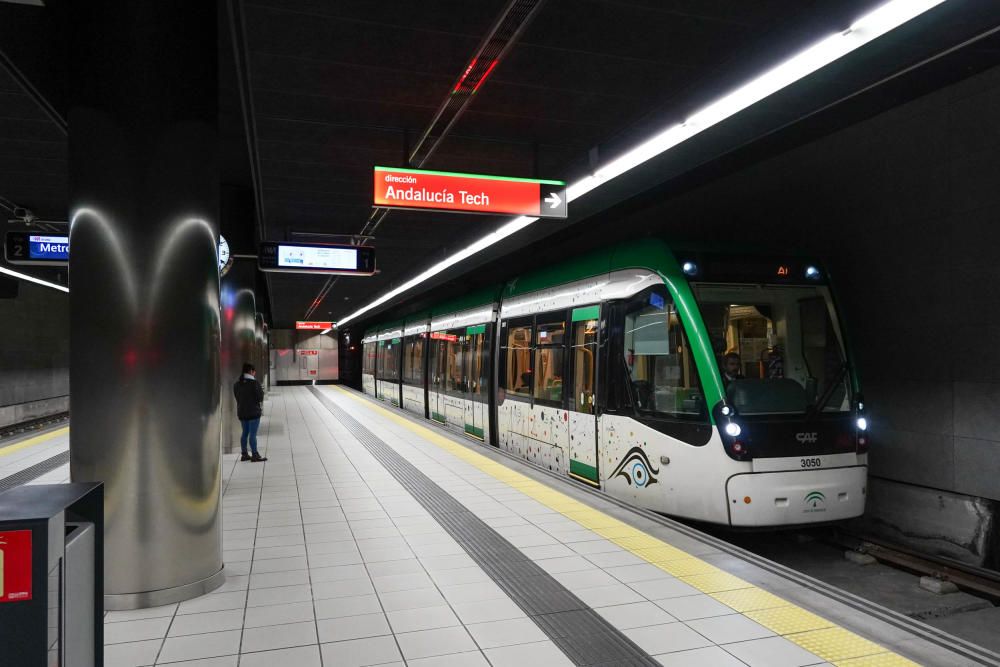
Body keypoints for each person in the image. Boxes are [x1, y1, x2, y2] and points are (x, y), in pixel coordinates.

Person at [233, 363, 267, 462]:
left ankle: (244, 454)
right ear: (251, 371)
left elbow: (237, 397)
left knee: (245, 433)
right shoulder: (255, 383)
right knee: (253, 434)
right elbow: (260, 398)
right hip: (253, 412)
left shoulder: (237, 384)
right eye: (254, 371)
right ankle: (255, 454)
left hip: (242, 412)